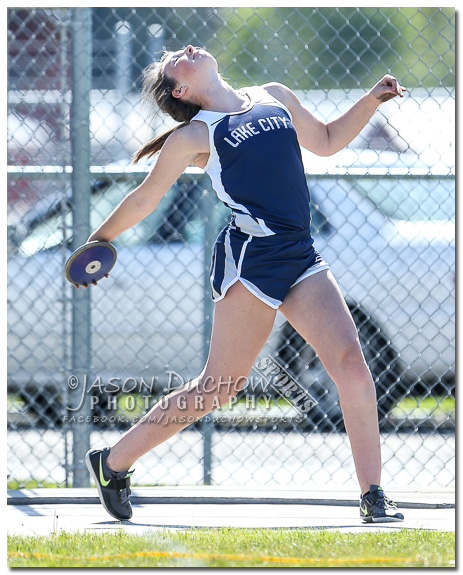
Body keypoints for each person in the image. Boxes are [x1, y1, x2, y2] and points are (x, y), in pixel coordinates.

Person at [85, 45, 405, 524]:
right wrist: (98, 242)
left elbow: (327, 139)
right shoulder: (195, 134)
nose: (186, 50)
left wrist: (370, 100)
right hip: (252, 259)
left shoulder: (274, 95)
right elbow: (144, 198)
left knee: (351, 363)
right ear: (182, 89)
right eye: (176, 59)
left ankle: (373, 494)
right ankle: (113, 463)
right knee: (219, 386)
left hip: (299, 252)